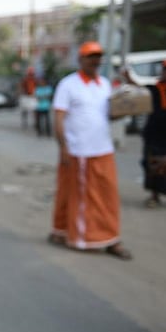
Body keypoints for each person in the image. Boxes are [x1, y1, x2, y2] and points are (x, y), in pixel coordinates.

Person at [48, 41, 132, 260]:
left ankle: (77, 232)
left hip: (103, 149)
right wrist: (63, 147)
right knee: (85, 198)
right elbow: (58, 118)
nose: (95, 60)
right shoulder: (69, 85)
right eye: (90, 56)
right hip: (80, 151)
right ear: (81, 59)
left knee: (108, 195)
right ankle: (95, 238)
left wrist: (126, 108)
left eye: (98, 56)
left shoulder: (104, 84)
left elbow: (108, 115)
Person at [123, 58, 166, 207]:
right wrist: (128, 77)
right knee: (152, 165)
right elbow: (137, 88)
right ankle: (154, 195)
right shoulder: (154, 89)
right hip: (154, 135)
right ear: (163, 71)